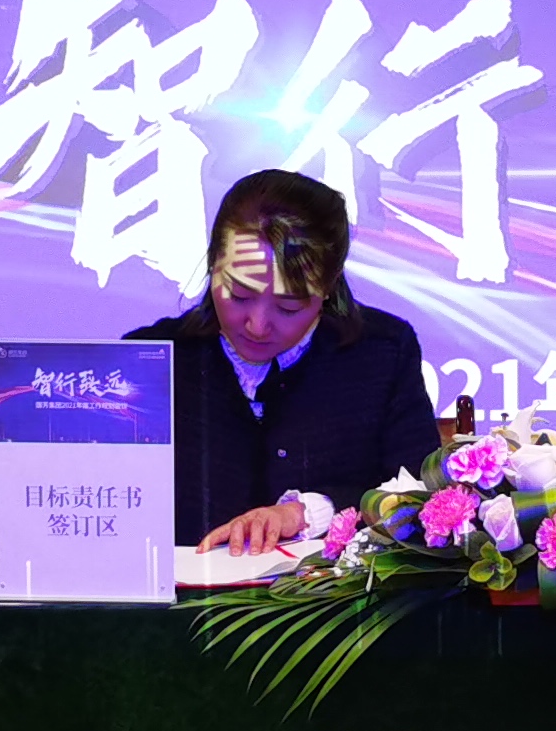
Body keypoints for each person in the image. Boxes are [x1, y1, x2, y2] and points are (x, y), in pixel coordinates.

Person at [133, 169, 442, 554]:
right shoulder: (150, 359)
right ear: (213, 264)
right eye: (239, 295)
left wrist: (310, 512)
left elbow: (421, 497)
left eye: (289, 306)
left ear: (328, 287)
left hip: (333, 591)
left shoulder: (382, 352)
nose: (258, 325)